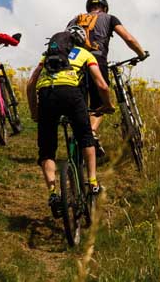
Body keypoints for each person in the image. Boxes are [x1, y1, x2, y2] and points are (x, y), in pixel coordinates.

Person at [25, 25, 115, 217]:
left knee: (47, 150)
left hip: (47, 95)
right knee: (86, 138)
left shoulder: (46, 56)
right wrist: (107, 105)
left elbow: (30, 84)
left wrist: (35, 112)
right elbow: (102, 85)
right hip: (71, 94)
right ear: (80, 42)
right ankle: (92, 182)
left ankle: (52, 193)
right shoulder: (85, 54)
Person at [67, 0, 148, 156]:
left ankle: (80, 144)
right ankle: (92, 132)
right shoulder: (109, 18)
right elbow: (128, 38)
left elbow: (64, 40)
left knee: (81, 105)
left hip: (74, 64)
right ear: (104, 7)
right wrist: (141, 54)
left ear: (88, 8)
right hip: (96, 61)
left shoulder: (75, 19)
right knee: (101, 103)